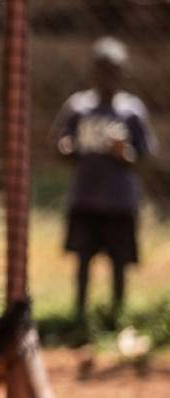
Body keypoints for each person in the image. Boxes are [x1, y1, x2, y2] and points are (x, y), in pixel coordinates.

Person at [50, 36, 158, 327]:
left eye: (114, 70)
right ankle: (79, 317)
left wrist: (126, 154)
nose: (108, 76)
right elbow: (60, 142)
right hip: (85, 196)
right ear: (93, 72)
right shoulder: (78, 107)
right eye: (103, 69)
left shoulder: (131, 110)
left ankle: (116, 317)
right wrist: (64, 148)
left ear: (123, 73)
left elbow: (145, 154)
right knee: (83, 259)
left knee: (119, 262)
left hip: (120, 201)